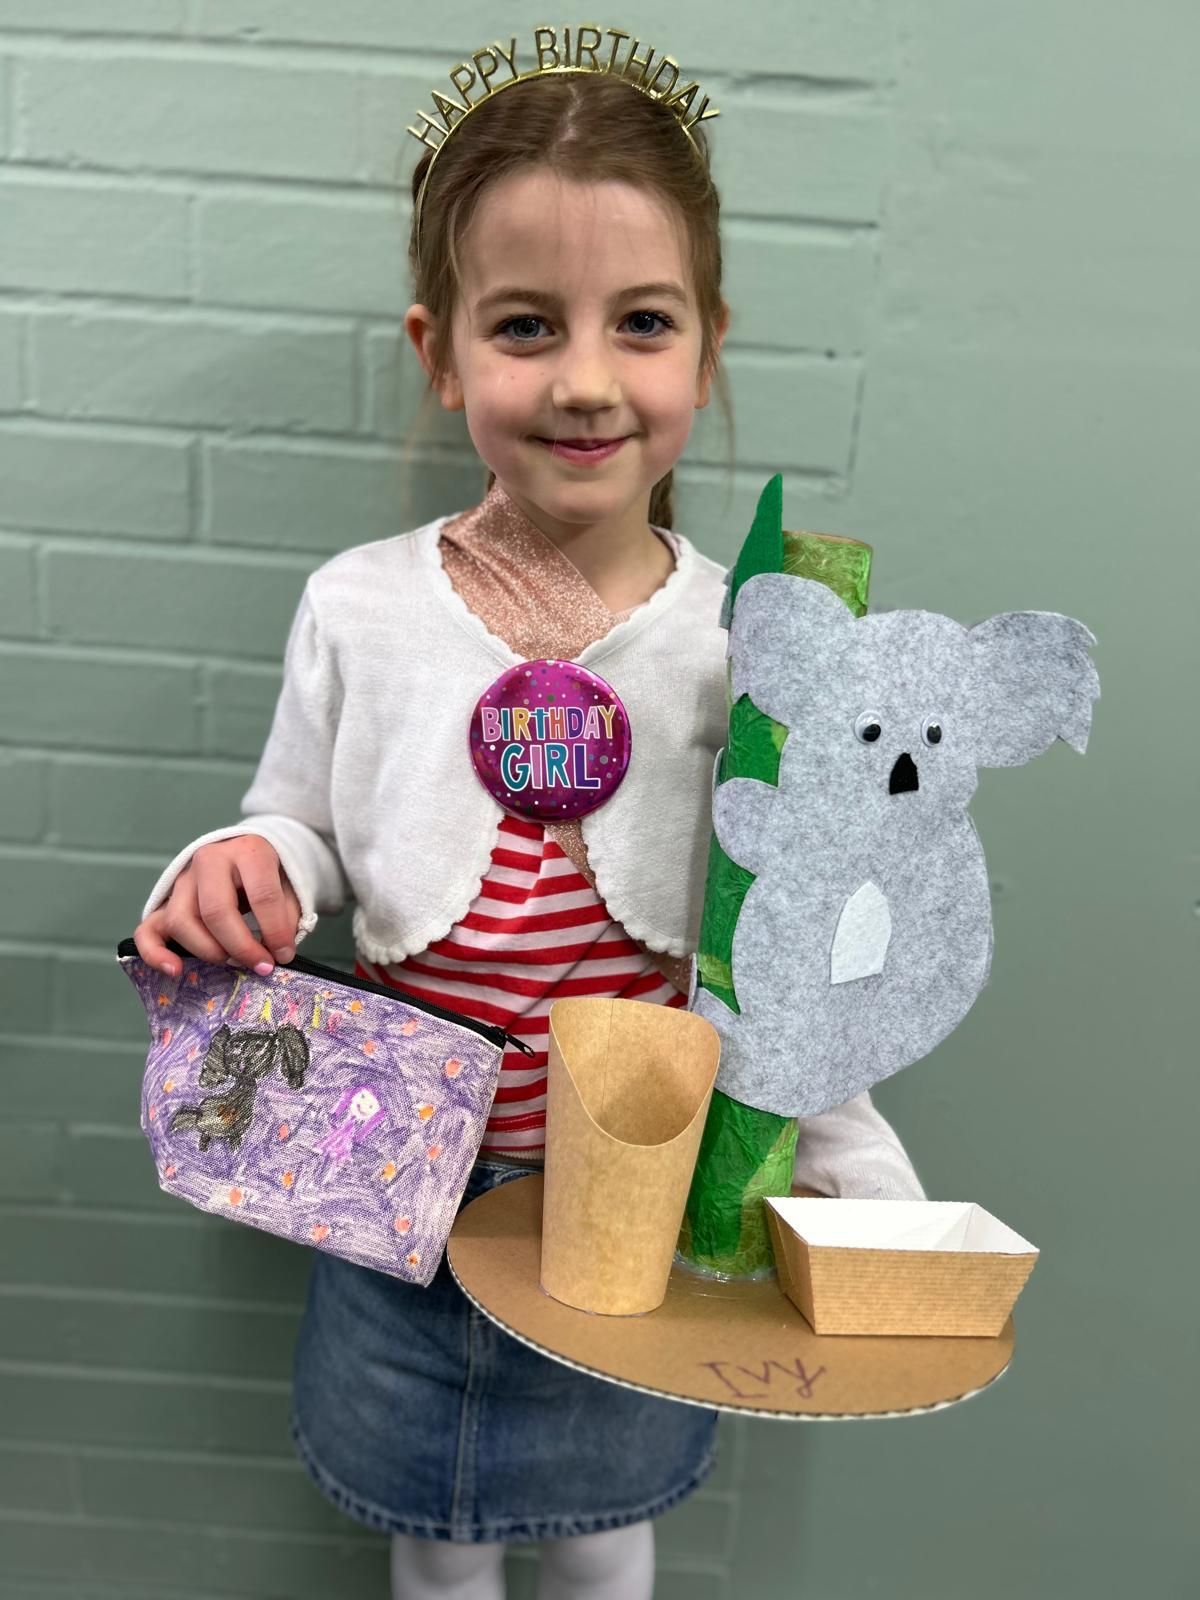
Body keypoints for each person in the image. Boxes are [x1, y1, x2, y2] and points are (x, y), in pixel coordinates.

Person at [133, 54, 925, 1600]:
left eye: (642, 321)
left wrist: (848, 1159)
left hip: (621, 1204)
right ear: (440, 353)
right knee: (432, 1542)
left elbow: (789, 927)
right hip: (398, 1189)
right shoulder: (359, 610)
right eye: (524, 326)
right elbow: (296, 825)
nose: (584, 378)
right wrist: (245, 871)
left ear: (709, 345)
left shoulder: (749, 644)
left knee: (601, 1536)